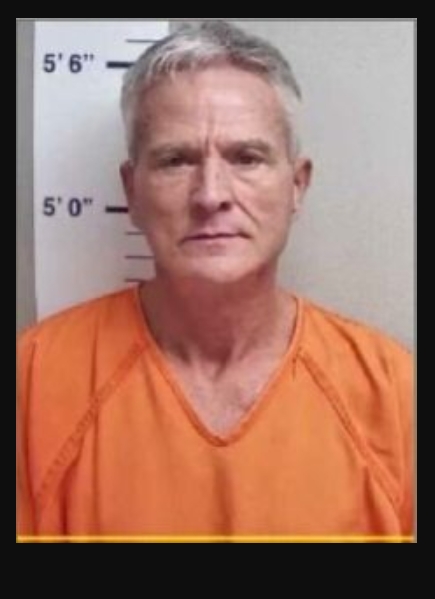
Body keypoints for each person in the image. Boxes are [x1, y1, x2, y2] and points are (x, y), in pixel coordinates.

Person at [17, 21, 414, 540]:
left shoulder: (394, 394)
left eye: (246, 158)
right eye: (176, 161)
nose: (210, 195)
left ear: (297, 185)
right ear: (131, 191)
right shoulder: (32, 382)